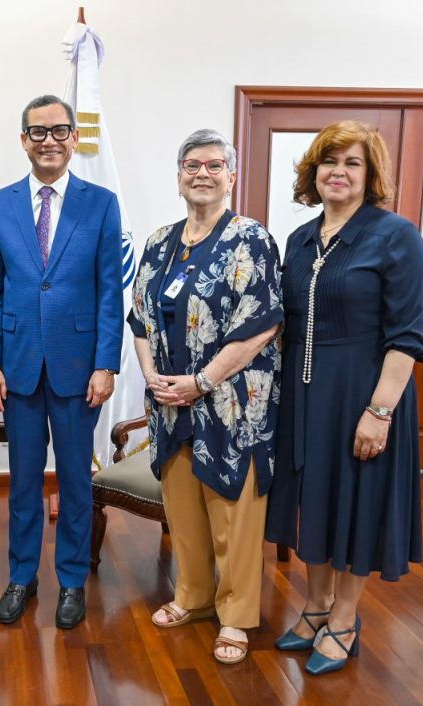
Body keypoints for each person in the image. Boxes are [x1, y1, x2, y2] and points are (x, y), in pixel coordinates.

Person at [265, 120, 423, 675]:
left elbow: (407, 336)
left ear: (370, 174)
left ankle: (344, 617)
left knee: (356, 501)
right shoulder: (299, 239)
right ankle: (313, 607)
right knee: (313, 499)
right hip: (304, 396)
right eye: (329, 162)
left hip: (364, 392)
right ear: (313, 172)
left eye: (352, 163)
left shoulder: (395, 236)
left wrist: (379, 411)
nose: (338, 172)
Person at [127, 129, 283, 664]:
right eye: (192, 165)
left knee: (233, 511)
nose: (202, 174)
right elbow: (141, 318)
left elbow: (260, 326)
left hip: (232, 403)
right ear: (178, 176)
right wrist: (153, 376)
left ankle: (236, 615)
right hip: (170, 402)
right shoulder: (159, 242)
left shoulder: (251, 239)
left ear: (231, 176)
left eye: (214, 166)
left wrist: (202, 381)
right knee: (183, 506)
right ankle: (191, 596)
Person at [0, 95, 123, 629]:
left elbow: (110, 291)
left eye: (60, 130)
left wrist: (107, 362)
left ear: (73, 138)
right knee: (22, 482)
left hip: (79, 368)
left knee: (76, 485)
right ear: (23, 140)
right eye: (38, 132)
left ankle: (71, 582)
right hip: (16, 368)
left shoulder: (100, 203)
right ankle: (21, 577)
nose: (50, 141)